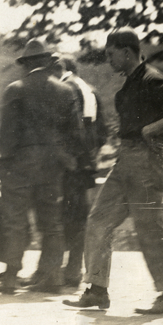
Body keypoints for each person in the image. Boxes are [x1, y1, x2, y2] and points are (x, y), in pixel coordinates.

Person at [65, 28, 163, 313]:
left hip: (146, 161)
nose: (109, 60)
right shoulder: (132, 82)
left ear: (126, 52)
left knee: (150, 228)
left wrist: (152, 128)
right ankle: (97, 290)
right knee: (98, 220)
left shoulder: (152, 79)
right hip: (125, 161)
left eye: (111, 55)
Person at [0, 39, 83, 294]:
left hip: (19, 165)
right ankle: (53, 276)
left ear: (26, 64)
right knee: (51, 223)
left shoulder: (15, 89)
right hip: (51, 166)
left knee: (16, 222)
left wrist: (4, 160)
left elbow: (7, 135)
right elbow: (76, 134)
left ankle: (11, 277)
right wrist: (62, 155)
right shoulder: (66, 91)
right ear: (47, 62)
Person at [54, 55, 107, 286]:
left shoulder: (64, 89)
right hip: (85, 164)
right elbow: (103, 131)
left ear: (62, 68)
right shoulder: (91, 90)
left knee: (63, 216)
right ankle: (74, 268)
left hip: (67, 164)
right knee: (79, 216)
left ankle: (62, 270)